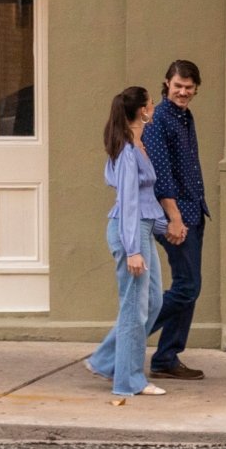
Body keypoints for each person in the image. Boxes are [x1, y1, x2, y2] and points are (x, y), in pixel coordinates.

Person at [88, 86, 168, 403]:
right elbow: (130, 203)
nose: (154, 107)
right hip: (129, 231)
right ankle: (128, 380)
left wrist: (164, 225)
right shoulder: (126, 151)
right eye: (151, 103)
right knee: (134, 308)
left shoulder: (137, 144)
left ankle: (110, 362)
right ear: (143, 111)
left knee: (152, 303)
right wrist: (133, 249)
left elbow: (145, 200)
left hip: (142, 230)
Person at [145, 58, 210, 382]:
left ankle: (167, 357)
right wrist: (174, 218)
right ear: (167, 84)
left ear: (195, 88)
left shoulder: (185, 117)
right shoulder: (158, 119)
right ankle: (125, 340)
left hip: (193, 212)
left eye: (188, 87)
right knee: (186, 287)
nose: (183, 91)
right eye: (178, 86)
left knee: (190, 287)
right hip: (176, 216)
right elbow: (161, 176)